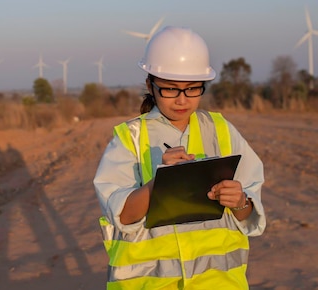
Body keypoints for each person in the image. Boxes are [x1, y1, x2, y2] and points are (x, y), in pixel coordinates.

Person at [93, 26, 266, 289]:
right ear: (150, 85)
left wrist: (240, 201)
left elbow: (249, 216)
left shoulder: (223, 131)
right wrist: (158, 184)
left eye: (193, 89)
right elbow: (123, 216)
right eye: (170, 89)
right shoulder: (130, 139)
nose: (182, 100)